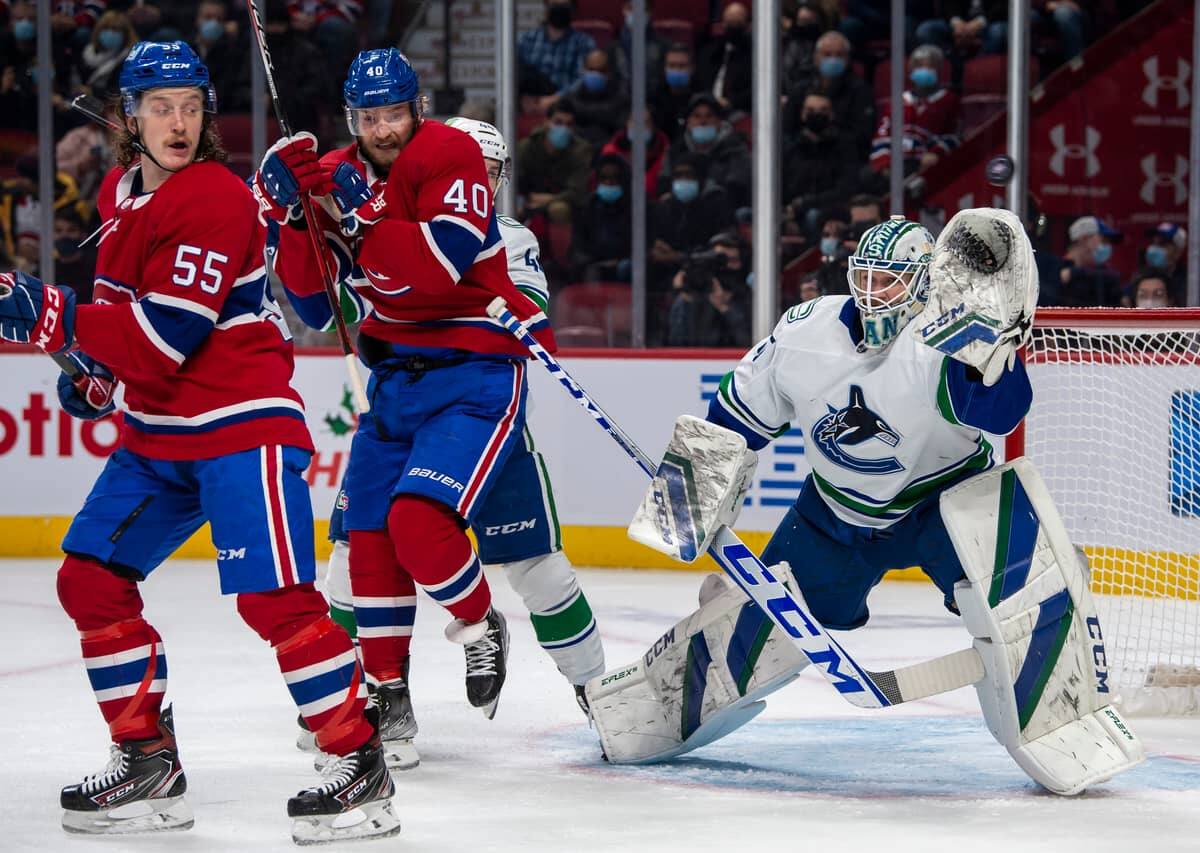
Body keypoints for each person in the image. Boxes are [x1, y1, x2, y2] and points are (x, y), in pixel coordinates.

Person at [588, 210, 1142, 795]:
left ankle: (1068, 716)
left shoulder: (949, 337)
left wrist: (997, 352)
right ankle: (655, 705)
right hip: (836, 515)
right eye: (867, 277)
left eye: (892, 279)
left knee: (1036, 587)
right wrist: (690, 494)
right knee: (749, 616)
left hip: (947, 503)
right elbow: (739, 413)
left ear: (927, 281)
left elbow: (999, 414)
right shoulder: (806, 329)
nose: (875, 294)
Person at [0, 41, 397, 844]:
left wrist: (53, 316)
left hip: (240, 426)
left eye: (191, 106)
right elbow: (122, 331)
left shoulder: (214, 196)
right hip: (161, 436)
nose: (179, 122)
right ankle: (147, 758)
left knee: (276, 601)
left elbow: (167, 337)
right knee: (90, 579)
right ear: (128, 119)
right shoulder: (123, 200)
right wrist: (93, 375)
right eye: (160, 107)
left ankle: (359, 766)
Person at [279, 111, 607, 768]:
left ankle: (598, 691)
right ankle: (372, 694)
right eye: (467, 169)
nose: (474, 182)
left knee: (537, 568)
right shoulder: (378, 224)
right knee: (357, 554)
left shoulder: (508, 238)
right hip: (405, 407)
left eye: (488, 172)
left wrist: (484, 300)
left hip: (482, 422)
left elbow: (530, 318)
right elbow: (340, 307)